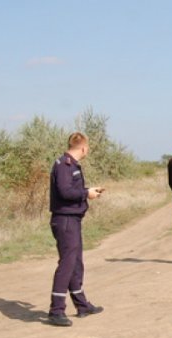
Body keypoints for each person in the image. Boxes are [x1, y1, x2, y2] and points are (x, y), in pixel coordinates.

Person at [47, 132, 105, 327]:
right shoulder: (64, 165)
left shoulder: (70, 164)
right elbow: (64, 191)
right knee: (67, 264)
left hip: (72, 219)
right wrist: (85, 193)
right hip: (65, 220)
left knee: (75, 263)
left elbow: (70, 190)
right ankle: (56, 310)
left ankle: (82, 305)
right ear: (83, 148)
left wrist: (87, 191)